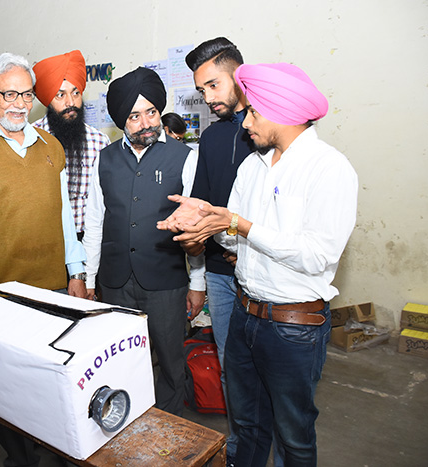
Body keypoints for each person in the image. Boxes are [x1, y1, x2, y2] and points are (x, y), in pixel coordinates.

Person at [158, 62, 358, 466]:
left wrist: (241, 224)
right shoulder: (252, 166)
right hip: (245, 314)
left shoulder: (328, 168)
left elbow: (317, 254)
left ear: (282, 111)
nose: (246, 122)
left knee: (293, 436)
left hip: (293, 327)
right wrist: (206, 220)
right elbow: (234, 236)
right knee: (246, 425)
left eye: (253, 112)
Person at [0, 52, 87, 467]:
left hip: (53, 291)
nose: (20, 104)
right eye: (9, 94)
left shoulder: (51, 146)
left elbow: (63, 215)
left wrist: (76, 270)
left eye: (27, 95)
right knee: (8, 395)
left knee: (55, 385)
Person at [82, 67, 206, 417]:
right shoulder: (104, 160)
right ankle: (126, 420)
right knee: (119, 360)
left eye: (151, 112)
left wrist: (197, 284)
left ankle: (169, 426)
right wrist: (89, 279)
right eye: (134, 116)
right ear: (121, 121)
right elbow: (95, 221)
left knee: (170, 361)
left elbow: (195, 228)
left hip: (165, 282)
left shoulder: (185, 158)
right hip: (115, 282)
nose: (146, 123)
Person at [184, 37, 253, 461]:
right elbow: (203, 201)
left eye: (214, 85)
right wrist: (191, 229)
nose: (208, 98)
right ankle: (240, 451)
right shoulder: (210, 138)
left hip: (263, 275)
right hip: (221, 275)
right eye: (201, 90)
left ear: (239, 75)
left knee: (267, 372)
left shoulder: (269, 129)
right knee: (231, 367)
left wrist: (246, 247)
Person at [32, 50, 110, 240]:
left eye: (76, 93)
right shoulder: (30, 139)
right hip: (44, 238)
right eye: (60, 95)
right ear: (48, 100)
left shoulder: (100, 141)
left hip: (89, 239)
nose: (71, 102)